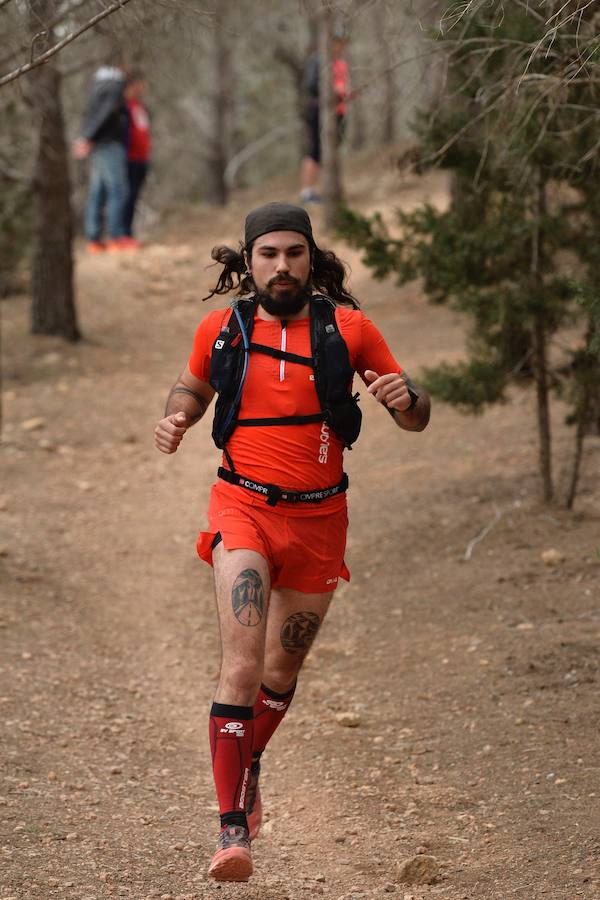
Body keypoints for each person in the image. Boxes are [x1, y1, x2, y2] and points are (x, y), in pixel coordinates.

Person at [154, 202, 430, 883]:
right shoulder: (222, 330)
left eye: (294, 254)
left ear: (312, 259)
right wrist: (179, 416)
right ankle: (230, 830)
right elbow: (191, 386)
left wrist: (408, 396)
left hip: (319, 519)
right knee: (242, 668)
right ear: (249, 262)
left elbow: (413, 418)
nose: (282, 266)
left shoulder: (351, 330)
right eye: (269, 254)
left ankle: (247, 762)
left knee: (281, 671)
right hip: (241, 509)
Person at [73, 64, 137, 253]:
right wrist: (87, 137)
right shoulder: (115, 85)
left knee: (98, 191)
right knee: (118, 189)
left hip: (99, 145)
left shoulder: (98, 85)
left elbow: (94, 114)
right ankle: (117, 237)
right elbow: (106, 112)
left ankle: (94, 240)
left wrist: (87, 136)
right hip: (109, 145)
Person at [299, 30, 350, 204]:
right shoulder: (318, 60)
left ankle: (329, 188)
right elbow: (312, 86)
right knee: (316, 151)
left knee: (332, 150)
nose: (340, 46)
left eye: (342, 42)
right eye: (337, 42)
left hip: (339, 112)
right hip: (320, 112)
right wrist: (332, 91)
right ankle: (307, 191)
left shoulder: (341, 63)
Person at [123, 70, 151, 244]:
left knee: (134, 196)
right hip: (129, 159)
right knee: (126, 195)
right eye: (139, 83)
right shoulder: (125, 107)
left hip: (141, 159)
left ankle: (129, 232)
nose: (143, 87)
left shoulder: (140, 107)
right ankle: (123, 233)